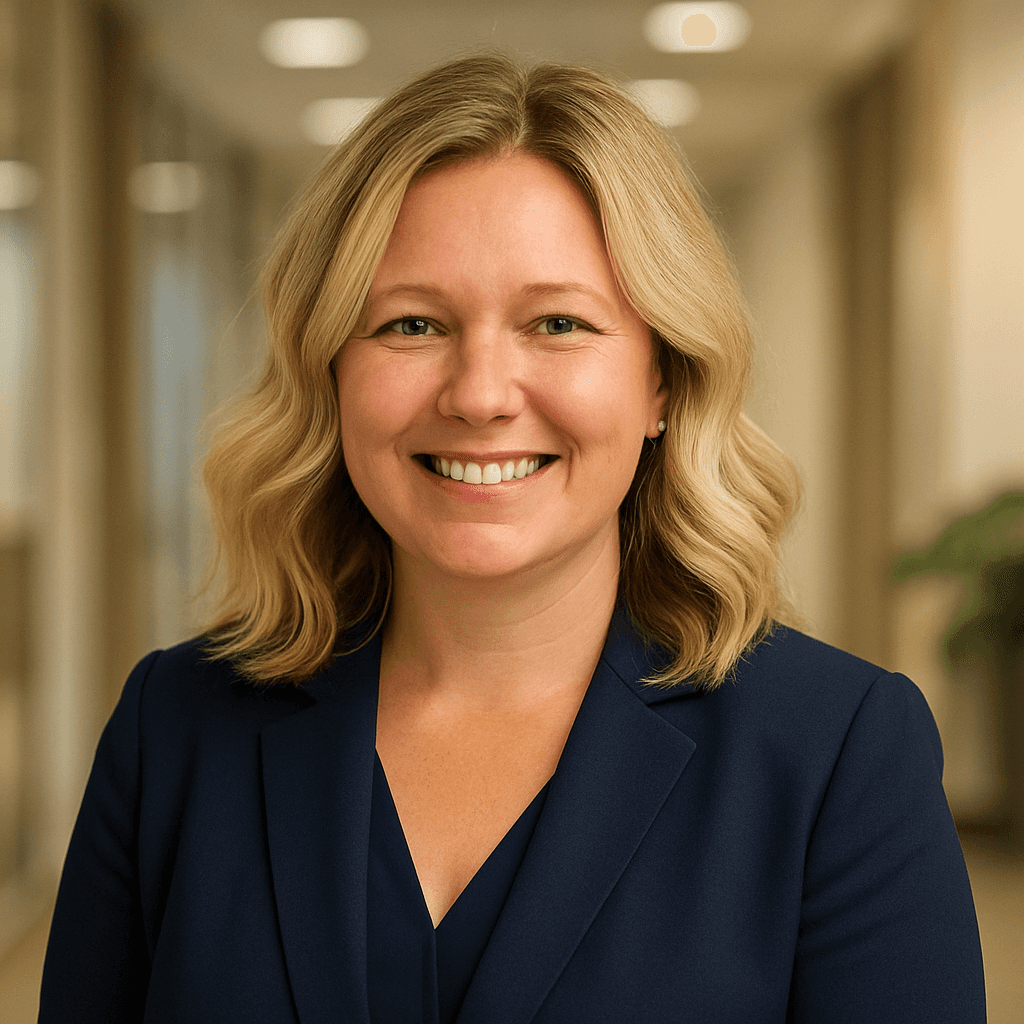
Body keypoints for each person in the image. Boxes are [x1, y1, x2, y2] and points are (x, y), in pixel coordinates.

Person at [39, 52, 986, 1023]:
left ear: (662, 381)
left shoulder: (835, 755)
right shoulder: (175, 730)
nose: (481, 393)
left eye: (557, 323)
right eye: (410, 324)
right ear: (329, 372)